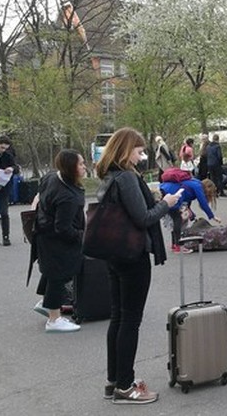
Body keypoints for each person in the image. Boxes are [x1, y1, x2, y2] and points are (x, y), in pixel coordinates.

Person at [95, 127, 180, 404]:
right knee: (130, 320)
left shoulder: (108, 177)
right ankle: (125, 385)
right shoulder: (126, 178)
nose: (142, 156)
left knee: (118, 318)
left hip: (114, 253)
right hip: (132, 255)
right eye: (139, 150)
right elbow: (144, 218)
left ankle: (114, 381)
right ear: (125, 150)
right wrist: (166, 203)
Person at [33, 149, 87, 333]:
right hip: (57, 240)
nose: (84, 167)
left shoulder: (51, 177)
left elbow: (39, 197)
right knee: (60, 274)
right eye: (80, 164)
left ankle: (46, 302)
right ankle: (54, 319)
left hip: (43, 233)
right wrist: (82, 236)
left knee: (50, 270)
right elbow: (63, 228)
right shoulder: (67, 196)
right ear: (71, 167)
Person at [159, 177, 221, 253]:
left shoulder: (195, 182)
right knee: (177, 220)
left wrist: (191, 214)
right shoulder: (198, 187)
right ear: (207, 187)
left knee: (176, 220)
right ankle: (179, 246)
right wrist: (212, 216)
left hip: (166, 190)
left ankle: (174, 245)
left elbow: (187, 199)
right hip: (172, 194)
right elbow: (203, 202)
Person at [0, 135, 17, 246]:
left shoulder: (7, 155)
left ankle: (6, 236)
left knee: (4, 213)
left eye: (5, 148)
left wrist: (11, 169)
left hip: (3, 187)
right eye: (1, 147)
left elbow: (15, 166)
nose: (3, 150)